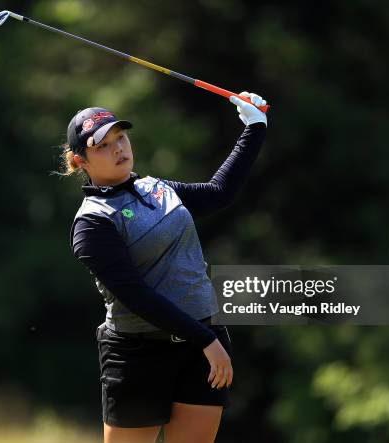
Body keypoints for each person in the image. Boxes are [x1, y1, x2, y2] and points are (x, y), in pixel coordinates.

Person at [59, 92, 267, 443]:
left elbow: (219, 192)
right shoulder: (91, 223)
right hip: (139, 355)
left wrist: (255, 127)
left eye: (120, 137)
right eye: (103, 146)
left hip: (201, 344)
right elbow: (136, 296)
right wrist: (206, 340)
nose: (118, 148)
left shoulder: (158, 189)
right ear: (79, 160)